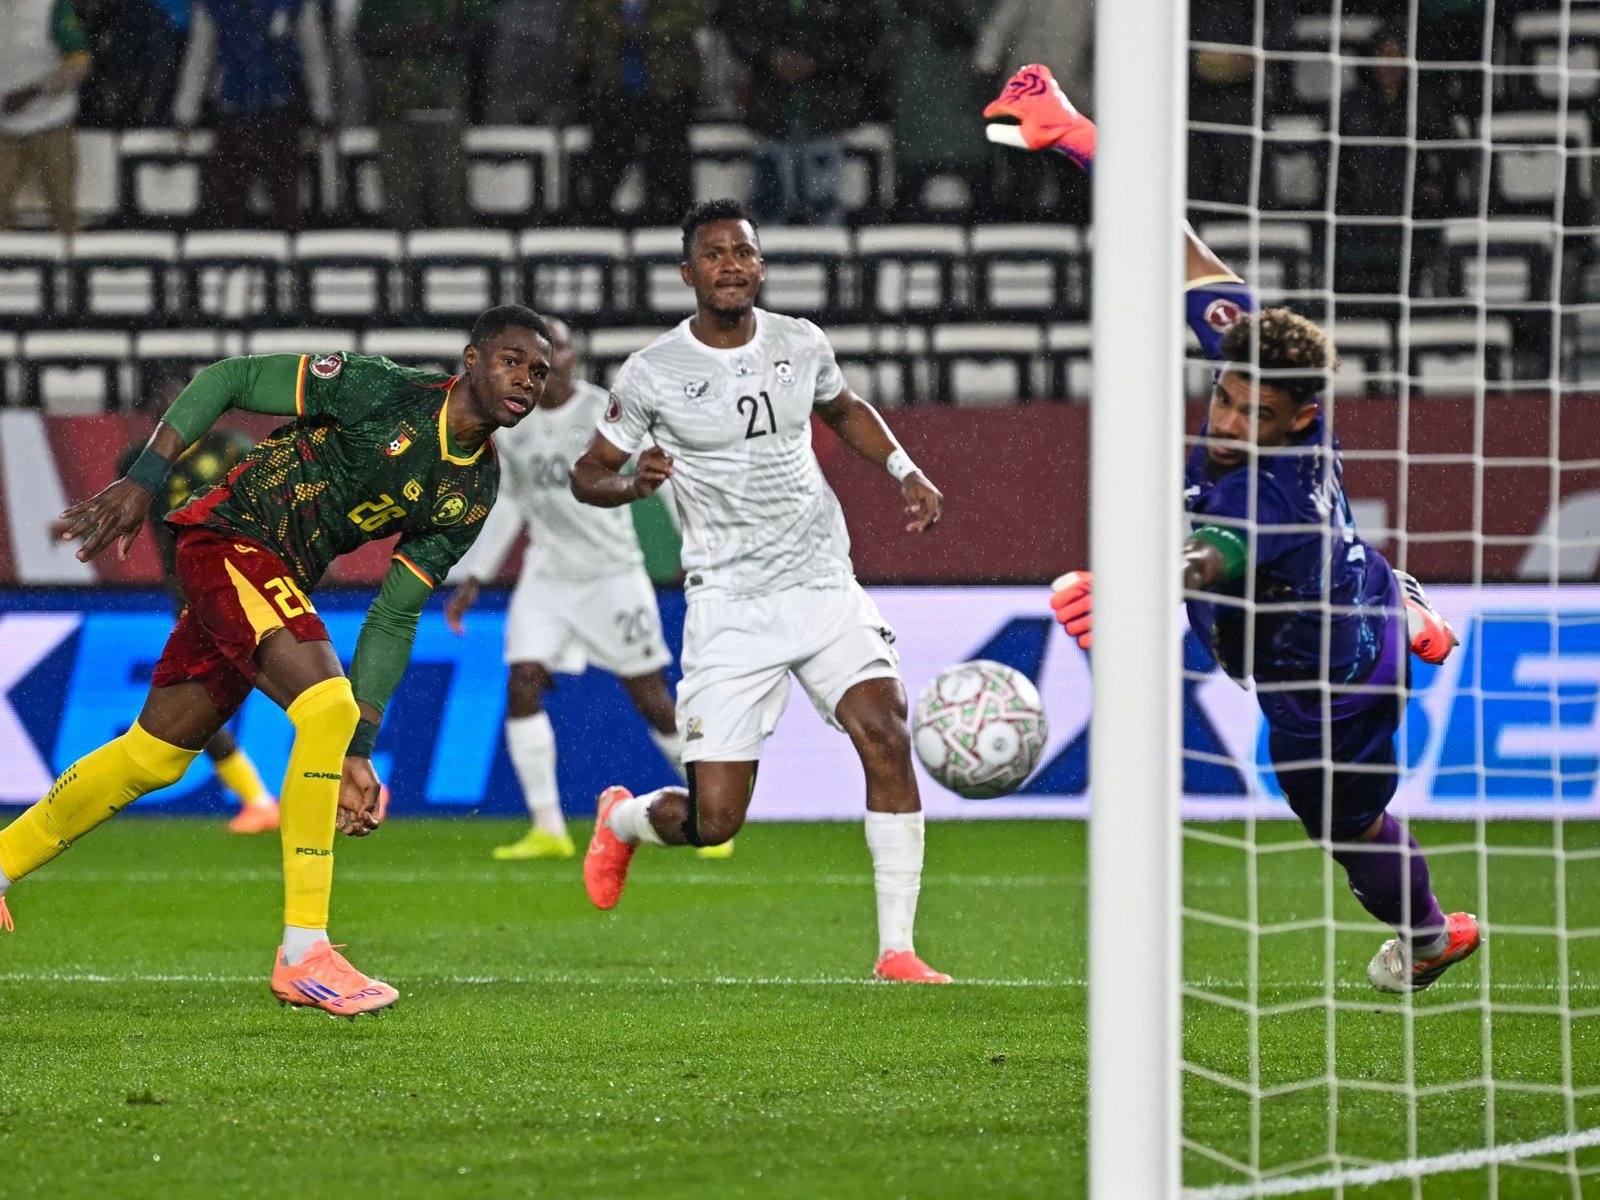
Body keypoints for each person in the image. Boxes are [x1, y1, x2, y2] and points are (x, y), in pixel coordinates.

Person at [985, 65, 1480, 994]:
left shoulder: (1265, 501)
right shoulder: (1267, 360)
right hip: (1352, 586)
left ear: (1299, 421)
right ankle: (1412, 604)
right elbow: (1174, 245)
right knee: (1328, 577)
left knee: (1345, 830)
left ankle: (1429, 937)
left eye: (1254, 415)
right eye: (1225, 396)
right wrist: (1077, 134)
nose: (1228, 419)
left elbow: (1204, 562)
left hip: (1328, 689)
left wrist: (1124, 592)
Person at [0, 305, 552, 1015]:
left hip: (273, 572)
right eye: (512, 360)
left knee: (153, 756)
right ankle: (303, 953)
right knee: (326, 705)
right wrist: (143, 478)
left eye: (539, 371)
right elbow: (230, 377)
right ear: (472, 360)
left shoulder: (473, 490)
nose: (527, 379)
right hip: (230, 536)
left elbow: (394, 614)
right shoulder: (382, 389)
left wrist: (360, 750)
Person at [571, 198, 951, 984]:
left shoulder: (799, 341)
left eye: (743, 252)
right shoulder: (652, 372)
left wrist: (905, 470)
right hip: (731, 605)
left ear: (761, 265)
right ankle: (626, 819)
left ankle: (897, 950)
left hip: (821, 581)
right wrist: (632, 483)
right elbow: (586, 475)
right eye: (714, 254)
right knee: (715, 820)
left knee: (885, 730)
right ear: (688, 273)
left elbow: (843, 408)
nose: (731, 266)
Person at [444, 317, 730, 861]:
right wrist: (475, 575)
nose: (547, 362)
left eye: (557, 350)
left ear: (571, 358)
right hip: (548, 575)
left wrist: (695, 550)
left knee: (651, 698)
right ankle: (548, 828)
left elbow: (663, 480)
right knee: (522, 682)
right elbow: (512, 501)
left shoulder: (607, 412)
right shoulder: (514, 424)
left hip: (612, 574)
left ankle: (713, 811)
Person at [114, 390, 280, 834]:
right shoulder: (139, 462)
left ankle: (346, 768)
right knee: (197, 700)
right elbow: (125, 508)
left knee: (284, 679)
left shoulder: (230, 447)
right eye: (166, 411)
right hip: (189, 596)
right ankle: (259, 800)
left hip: (243, 584)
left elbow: (270, 499)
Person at [715, 0, 884, 226]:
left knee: (822, 205)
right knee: (772, 205)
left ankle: (821, 245)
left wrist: (815, 60)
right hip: (775, 113)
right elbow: (738, 26)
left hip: (822, 113)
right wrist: (773, 56)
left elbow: (862, 31)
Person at [172, 0, 334, 232]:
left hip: (244, 109)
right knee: (281, 203)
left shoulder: (215, 5)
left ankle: (238, 248)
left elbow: (200, 55)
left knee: (237, 203)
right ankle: (282, 246)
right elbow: (314, 54)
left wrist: (186, 113)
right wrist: (323, 111)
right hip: (270, 109)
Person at [566, 0, 703, 225]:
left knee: (669, 168)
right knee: (605, 170)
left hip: (666, 89)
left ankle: (674, 224)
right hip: (614, 89)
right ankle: (599, 227)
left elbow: (693, 14)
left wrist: (648, 28)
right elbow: (585, 21)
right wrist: (614, 28)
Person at [358, 0, 488, 229]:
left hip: (444, 106)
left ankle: (454, 252)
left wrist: (438, 36)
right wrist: (399, 37)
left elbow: (480, 32)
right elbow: (364, 39)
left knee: (449, 200)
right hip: (395, 106)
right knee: (401, 204)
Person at [0, 0, 91, 236]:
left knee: (64, 210)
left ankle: (70, 257)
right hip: (4, 128)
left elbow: (80, 62)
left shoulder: (53, 7)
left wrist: (35, 90)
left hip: (52, 123)